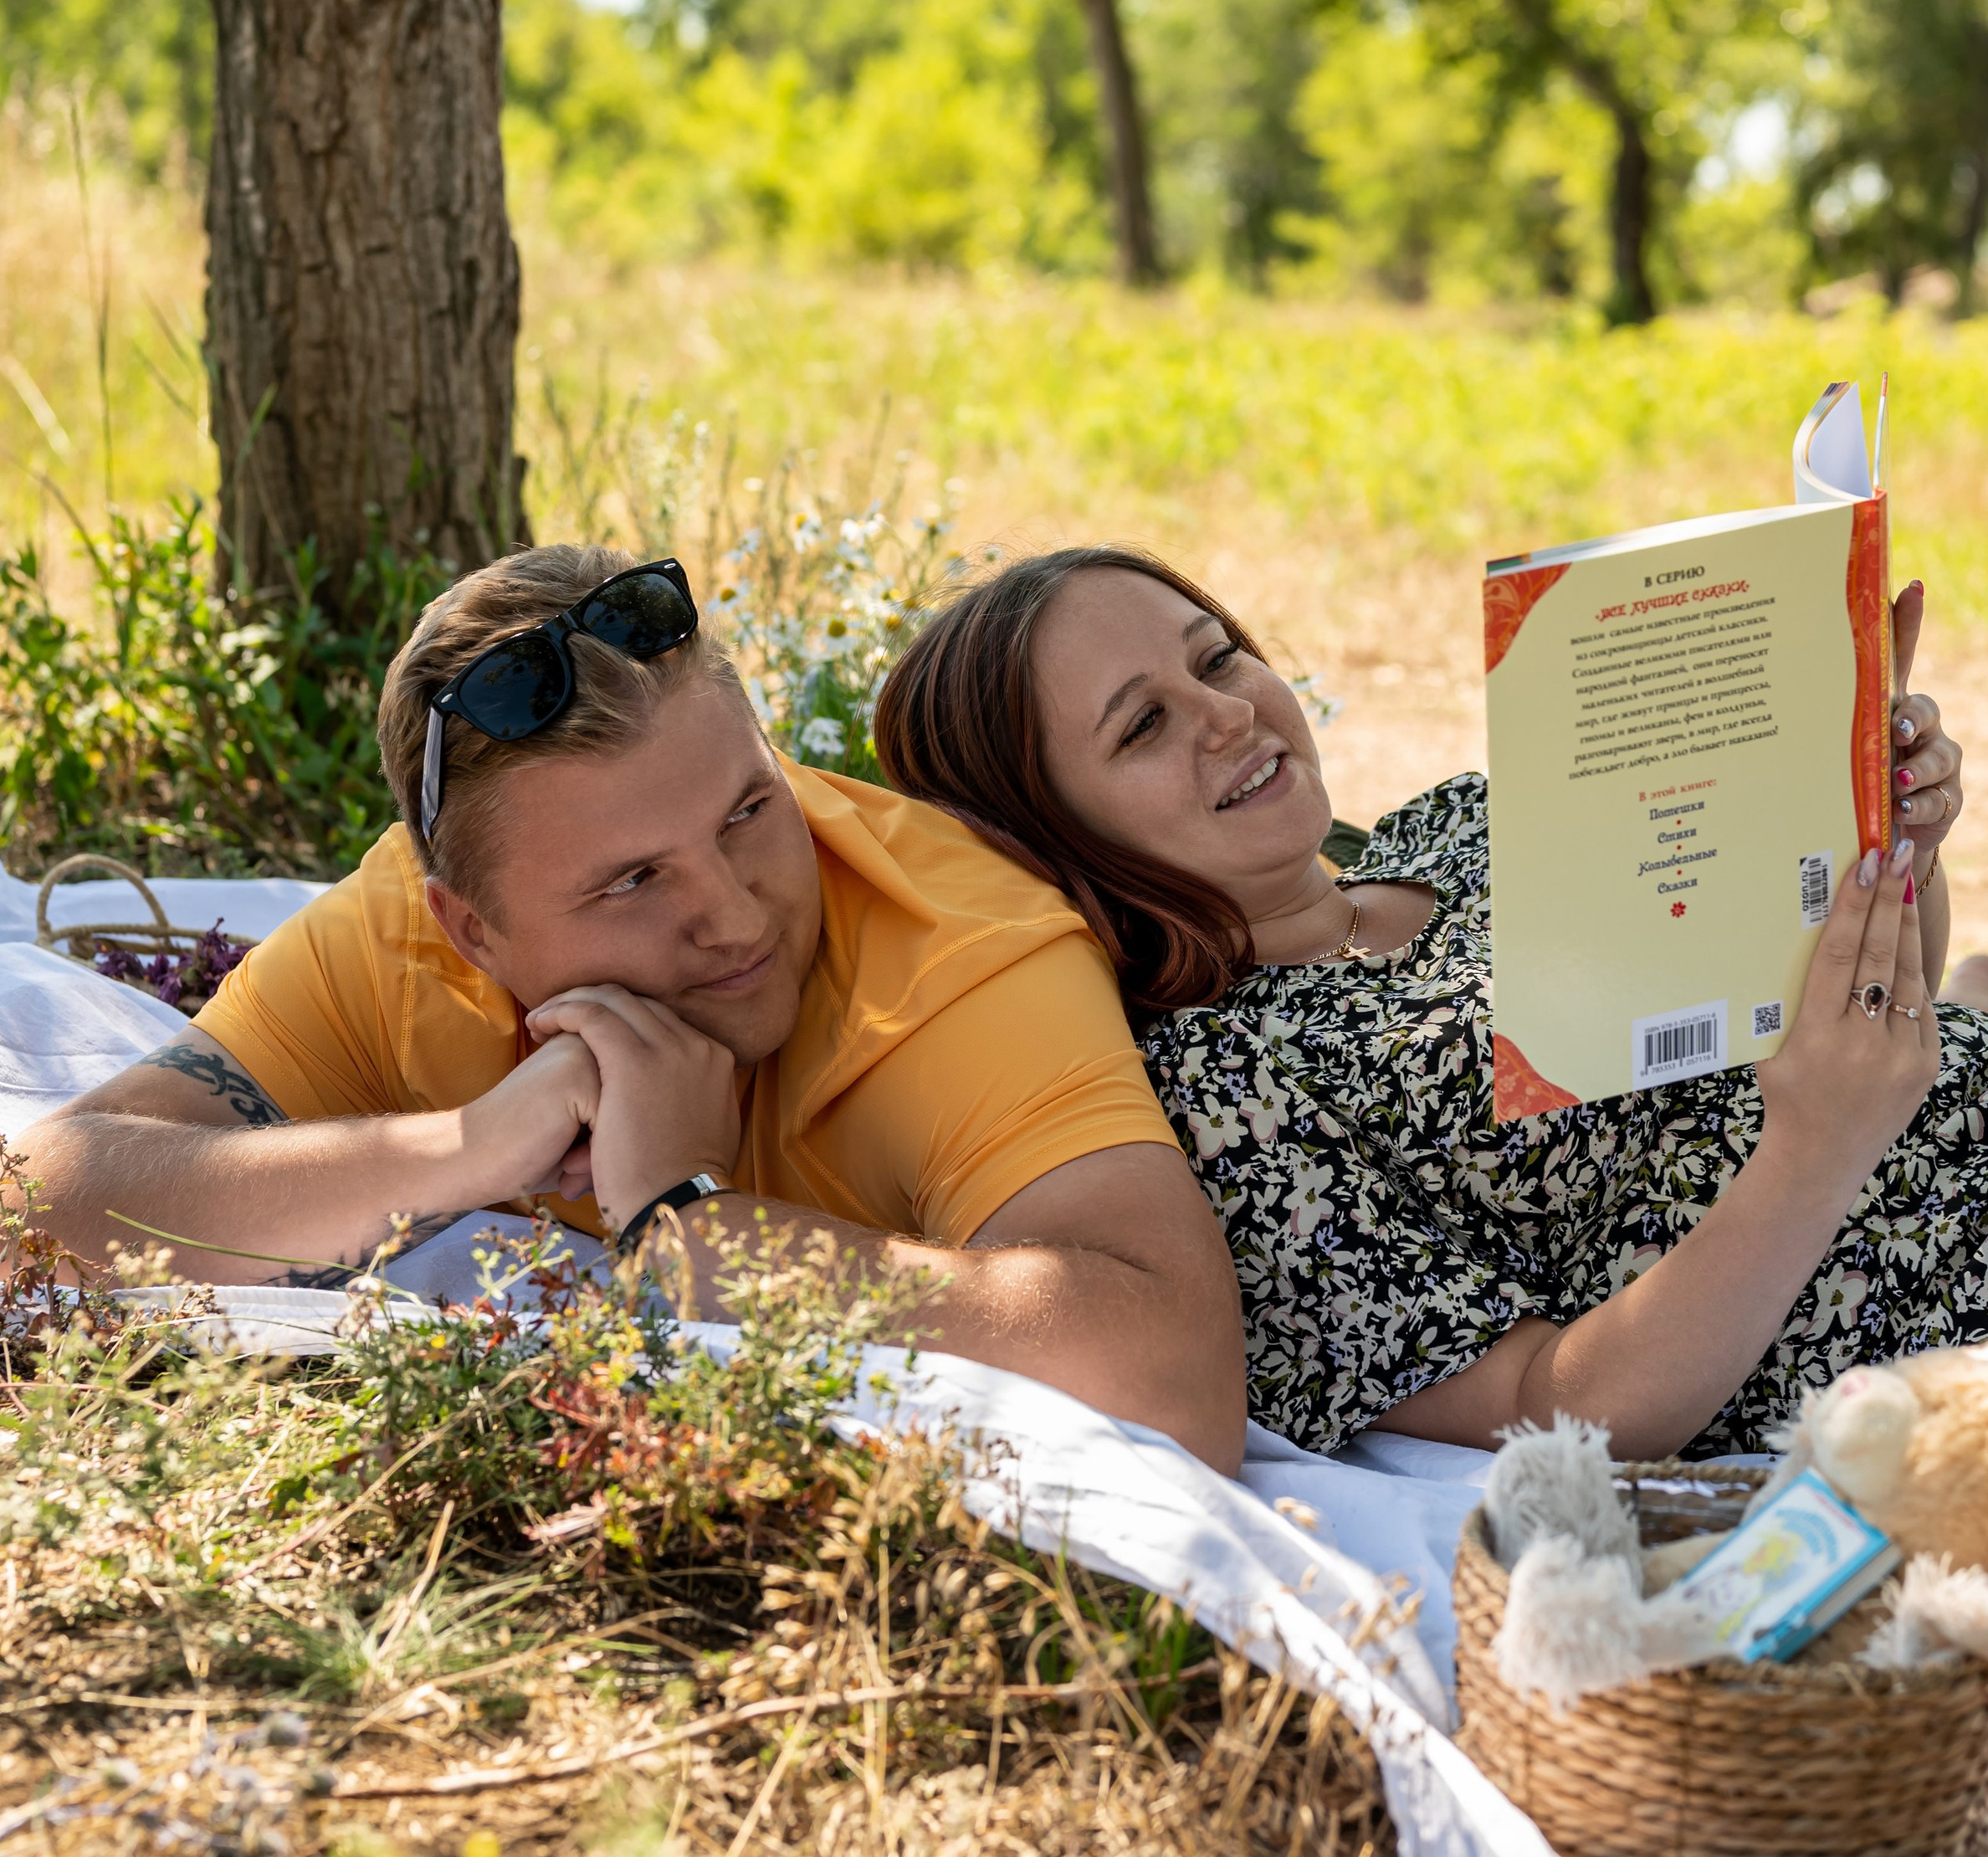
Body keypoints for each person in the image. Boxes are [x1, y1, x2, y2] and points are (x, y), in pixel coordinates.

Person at [874, 546, 1988, 1483]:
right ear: (1059, 834)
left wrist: (1885, 834)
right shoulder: (1225, 1097)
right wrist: (1811, 1159)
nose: (1225, 712)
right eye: (1143, 725)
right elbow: (1556, 1405)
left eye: (1217, 654)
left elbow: (1878, 992)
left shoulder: (1470, 818)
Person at [11, 547, 1246, 1472]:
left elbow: (1174, 1374)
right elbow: (36, 1208)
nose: (735, 914)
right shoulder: (400, 935)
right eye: (634, 880)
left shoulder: (962, 948)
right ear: (474, 928)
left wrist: (690, 1229)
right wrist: (464, 1147)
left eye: (749, 813)